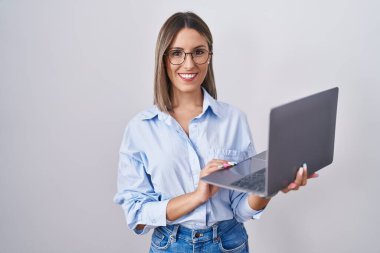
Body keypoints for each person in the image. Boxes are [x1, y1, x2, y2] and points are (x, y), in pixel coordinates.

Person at [114, 12, 317, 253]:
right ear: (164, 58)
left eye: (198, 52)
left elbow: (241, 209)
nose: (189, 64)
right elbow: (137, 216)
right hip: (170, 245)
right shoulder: (140, 129)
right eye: (177, 53)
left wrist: (270, 186)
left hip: (228, 243)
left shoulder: (233, 119)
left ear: (209, 56)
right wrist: (197, 196)